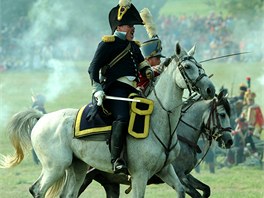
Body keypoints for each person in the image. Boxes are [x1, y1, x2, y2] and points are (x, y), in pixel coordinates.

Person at [88, 1, 153, 174]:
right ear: (120, 26)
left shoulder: (133, 46)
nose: (133, 29)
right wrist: (97, 89)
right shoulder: (108, 44)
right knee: (123, 117)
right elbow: (93, 68)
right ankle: (116, 159)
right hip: (114, 89)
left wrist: (148, 71)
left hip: (132, 91)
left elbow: (141, 63)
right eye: (131, 25)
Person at [31, 94, 47, 165]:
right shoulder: (38, 108)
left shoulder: (35, 106)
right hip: (38, 128)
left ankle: (37, 160)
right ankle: (38, 160)